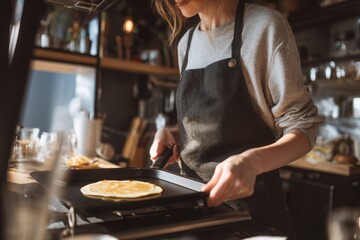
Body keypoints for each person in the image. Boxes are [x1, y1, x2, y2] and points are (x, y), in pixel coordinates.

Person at [150, 0, 323, 237]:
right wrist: (175, 132)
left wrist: (252, 162)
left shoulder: (264, 27)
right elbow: (213, 124)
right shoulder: (186, 44)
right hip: (194, 214)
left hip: (254, 220)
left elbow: (304, 128)